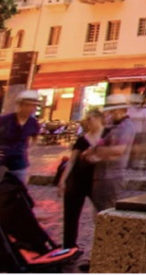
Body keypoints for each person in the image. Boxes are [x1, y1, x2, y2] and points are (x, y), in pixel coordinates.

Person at [80, 94, 138, 214]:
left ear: (122, 110)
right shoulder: (113, 127)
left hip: (112, 177)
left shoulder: (126, 127)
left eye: (113, 111)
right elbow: (102, 143)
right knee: (99, 212)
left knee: (107, 213)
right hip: (101, 176)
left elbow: (118, 150)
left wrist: (95, 151)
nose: (110, 114)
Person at [58, 108, 105, 249]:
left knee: (101, 214)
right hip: (77, 180)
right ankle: (69, 247)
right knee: (71, 215)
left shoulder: (107, 137)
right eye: (86, 120)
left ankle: (100, 247)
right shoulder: (82, 139)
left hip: (97, 181)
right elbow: (71, 161)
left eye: (90, 119)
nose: (87, 123)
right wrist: (62, 180)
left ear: (98, 118)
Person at [0, 90, 42, 184]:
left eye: (33, 106)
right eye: (27, 105)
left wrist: (27, 150)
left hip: (19, 161)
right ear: (20, 105)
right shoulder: (4, 120)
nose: (31, 108)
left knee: (19, 189)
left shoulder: (33, 123)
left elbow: (35, 138)